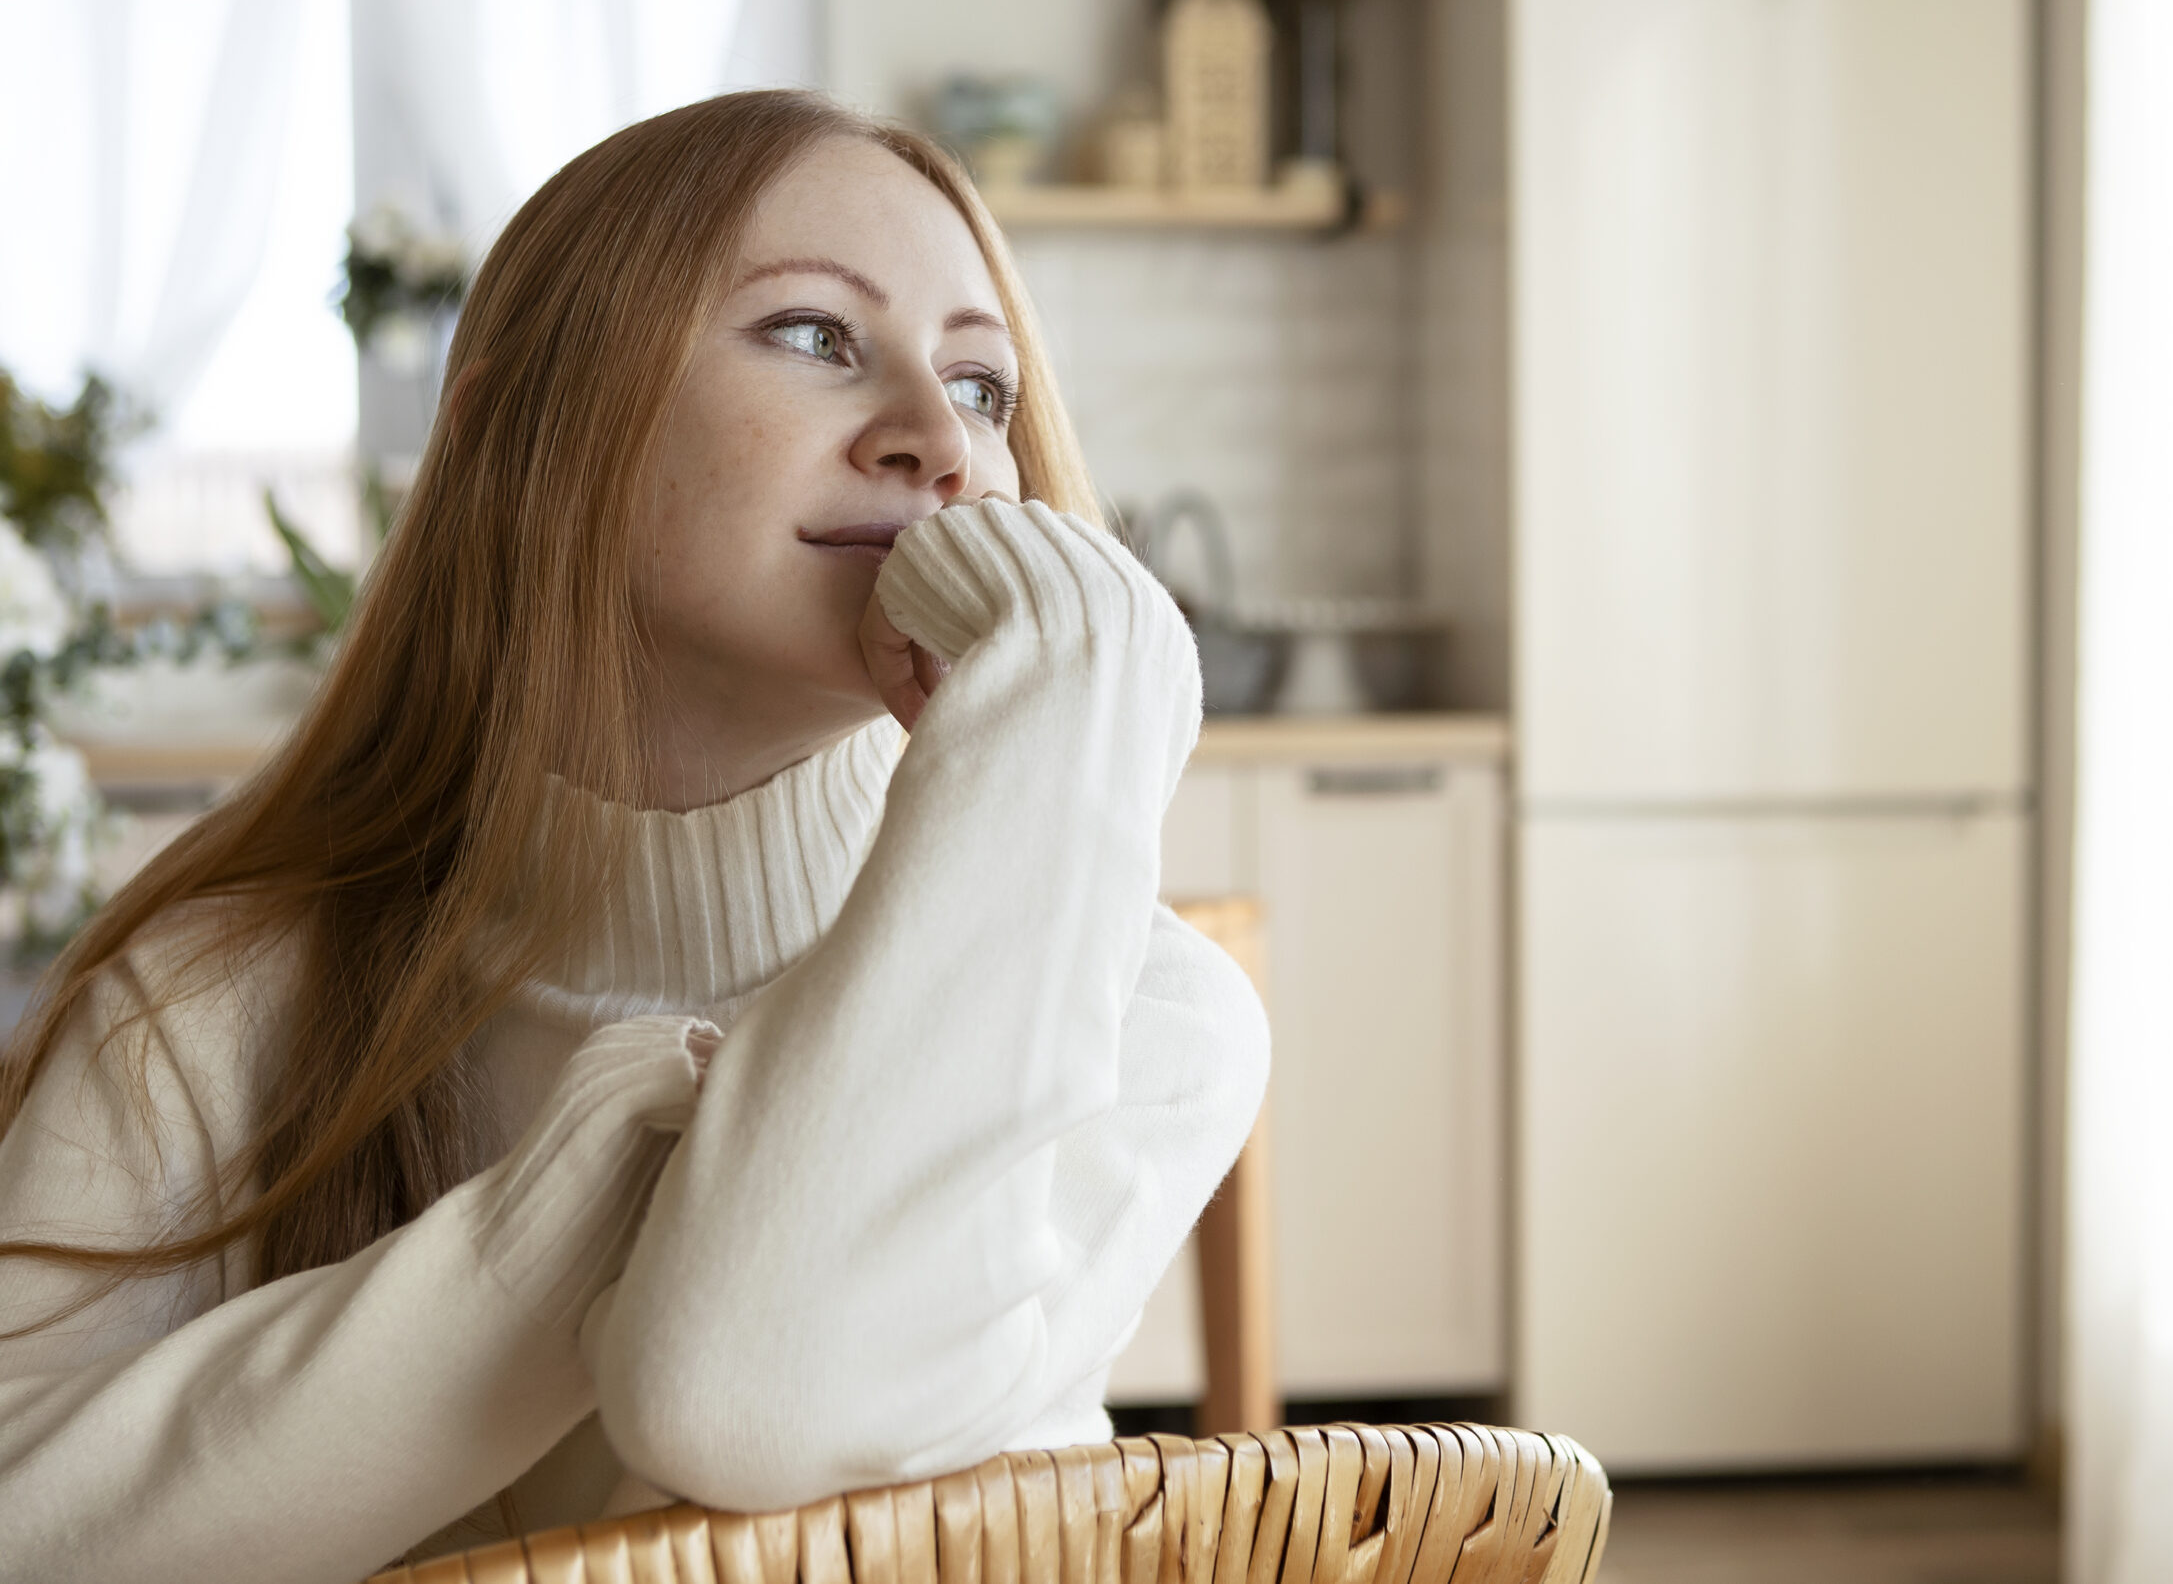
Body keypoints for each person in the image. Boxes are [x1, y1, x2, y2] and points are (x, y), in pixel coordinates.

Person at [0, 89, 1268, 1580]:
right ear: (516, 433)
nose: (940, 442)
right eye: (813, 335)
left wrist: (1076, 690)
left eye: (985, 388)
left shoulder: (1154, 1018)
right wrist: (587, 1194)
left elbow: (756, 1395)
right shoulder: (208, 1000)